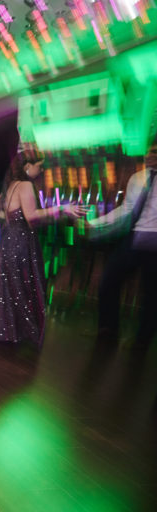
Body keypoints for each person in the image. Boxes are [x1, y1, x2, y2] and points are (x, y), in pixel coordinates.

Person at [0, 148, 86, 347]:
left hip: (7, 240)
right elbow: (32, 216)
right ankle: (11, 331)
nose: (41, 171)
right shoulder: (25, 185)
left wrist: (11, 219)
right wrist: (62, 208)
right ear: (27, 166)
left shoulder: (12, 186)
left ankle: (7, 328)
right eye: (39, 167)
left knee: (8, 287)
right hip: (20, 242)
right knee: (19, 287)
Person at [83, 139, 157, 353]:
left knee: (152, 294)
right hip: (134, 238)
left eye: (155, 152)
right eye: (148, 151)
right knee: (108, 281)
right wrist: (95, 223)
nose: (149, 156)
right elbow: (126, 210)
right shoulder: (137, 178)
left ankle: (142, 341)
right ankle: (108, 330)